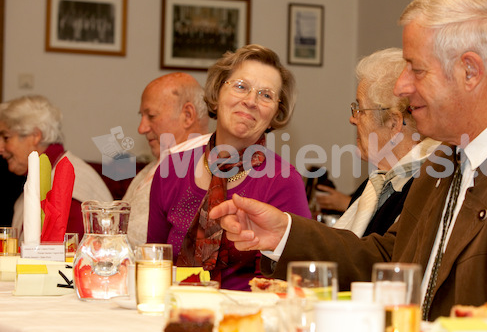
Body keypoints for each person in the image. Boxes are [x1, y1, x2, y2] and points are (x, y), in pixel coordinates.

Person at [210, 0, 487, 320]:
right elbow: (392, 258)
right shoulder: (444, 160)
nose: (400, 86)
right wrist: (284, 231)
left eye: (416, 68)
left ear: (470, 71)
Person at [147, 44, 311, 291]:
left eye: (266, 95)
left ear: (276, 112)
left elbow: (288, 284)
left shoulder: (284, 181)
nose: (250, 101)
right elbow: (154, 260)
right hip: (170, 309)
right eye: (241, 86)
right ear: (217, 91)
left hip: (244, 320)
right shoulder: (171, 169)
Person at [332, 48, 439, 237]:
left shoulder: (424, 191)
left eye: (360, 110)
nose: (353, 119)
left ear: (394, 123)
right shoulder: (373, 186)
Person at [0, 95, 113, 240]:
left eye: (6, 137)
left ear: (35, 136)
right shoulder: (43, 174)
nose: (1, 148)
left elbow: (66, 255)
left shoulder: (70, 183)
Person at [123, 72, 211, 248]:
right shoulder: (155, 165)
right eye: (142, 116)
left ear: (187, 115)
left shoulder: (202, 170)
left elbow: (144, 244)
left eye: (152, 116)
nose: (142, 128)